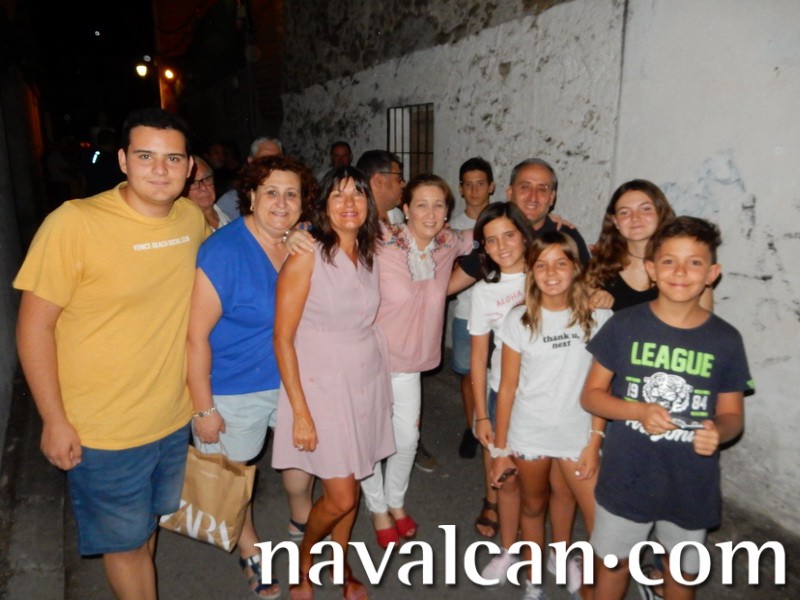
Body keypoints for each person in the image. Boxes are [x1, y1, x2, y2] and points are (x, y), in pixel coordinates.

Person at [14, 107, 206, 600]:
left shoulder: (190, 219)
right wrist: (53, 420)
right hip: (104, 431)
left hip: (172, 417)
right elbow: (34, 328)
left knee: (147, 527)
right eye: (145, 156)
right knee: (126, 544)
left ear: (189, 167)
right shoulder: (74, 223)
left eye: (173, 158)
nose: (159, 169)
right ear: (122, 160)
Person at [581, 216, 753, 600]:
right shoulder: (623, 326)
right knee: (612, 565)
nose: (680, 272)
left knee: (681, 572)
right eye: (669, 261)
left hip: (690, 484)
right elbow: (591, 395)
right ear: (651, 269)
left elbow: (732, 416)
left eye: (694, 262)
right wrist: (638, 411)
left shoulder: (726, 341)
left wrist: (718, 432)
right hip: (626, 477)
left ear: (712, 274)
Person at [187, 156, 316, 598]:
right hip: (233, 386)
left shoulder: (305, 242)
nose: (282, 202)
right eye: (271, 192)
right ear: (251, 196)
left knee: (301, 457)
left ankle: (301, 520)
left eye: (291, 193)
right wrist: (203, 408)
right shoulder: (222, 252)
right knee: (233, 477)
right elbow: (195, 338)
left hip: (292, 379)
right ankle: (250, 550)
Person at [272, 166, 395, 600]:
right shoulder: (306, 253)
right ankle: (304, 562)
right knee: (340, 495)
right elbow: (282, 338)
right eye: (338, 195)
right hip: (320, 384)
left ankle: (341, 564)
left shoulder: (370, 251)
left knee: (352, 481)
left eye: (357, 195)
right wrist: (300, 413)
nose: (349, 204)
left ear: (369, 204)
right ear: (323, 205)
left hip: (364, 378)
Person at [490, 231, 612, 600]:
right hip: (530, 432)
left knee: (583, 508)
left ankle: (564, 559)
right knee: (533, 505)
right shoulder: (520, 319)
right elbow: (507, 388)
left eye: (561, 263)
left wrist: (595, 440)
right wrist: (500, 451)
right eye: (541, 265)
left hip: (578, 434)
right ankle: (533, 579)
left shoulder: (599, 316)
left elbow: (603, 388)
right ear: (531, 271)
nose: (551, 272)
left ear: (576, 268)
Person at [360, 174, 474, 547]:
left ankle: (396, 501)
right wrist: (296, 235)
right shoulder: (381, 239)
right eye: (421, 204)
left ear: (447, 211)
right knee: (371, 441)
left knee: (407, 439)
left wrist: (551, 226)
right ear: (405, 208)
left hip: (409, 365)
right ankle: (377, 507)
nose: (430, 212)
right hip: (370, 360)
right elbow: (333, 235)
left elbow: (489, 234)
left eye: (438, 205)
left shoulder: (448, 242)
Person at [467, 202, 534, 580]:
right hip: (501, 395)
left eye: (509, 235)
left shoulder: (549, 274)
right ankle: (509, 545)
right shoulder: (484, 291)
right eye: (491, 240)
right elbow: (479, 357)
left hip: (545, 398)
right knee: (506, 476)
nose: (502, 246)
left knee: (541, 482)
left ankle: (539, 545)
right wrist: (481, 414)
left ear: (524, 235)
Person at [586, 179, 713, 312]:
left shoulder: (689, 269)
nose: (635, 218)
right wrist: (592, 302)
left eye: (645, 209)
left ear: (661, 213)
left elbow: (703, 322)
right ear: (615, 221)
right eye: (624, 212)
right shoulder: (599, 267)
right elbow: (584, 318)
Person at [449, 157, 496, 460]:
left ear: (491, 186)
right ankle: (472, 426)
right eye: (469, 184)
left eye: (481, 183)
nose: (475, 189)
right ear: (461, 189)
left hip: (503, 315)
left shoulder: (503, 219)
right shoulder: (452, 228)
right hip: (467, 313)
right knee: (469, 376)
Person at [216, 136, 284, 220]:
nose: (271, 164)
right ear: (251, 161)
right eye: (264, 159)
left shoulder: (292, 196)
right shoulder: (231, 201)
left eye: (277, 159)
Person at [354, 149, 406, 226]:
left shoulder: (397, 216)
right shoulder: (356, 223)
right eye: (399, 179)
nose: (403, 184)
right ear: (378, 181)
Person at [185, 156, 231, 231]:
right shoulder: (185, 229)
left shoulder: (229, 213)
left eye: (207, 178)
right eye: (193, 182)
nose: (203, 187)